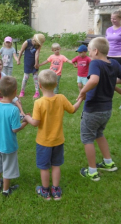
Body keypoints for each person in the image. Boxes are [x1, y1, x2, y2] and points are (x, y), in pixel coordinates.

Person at [23, 70, 83, 200]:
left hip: (43, 142)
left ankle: (45, 191)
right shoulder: (61, 98)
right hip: (58, 140)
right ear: (56, 84)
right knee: (56, 165)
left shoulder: (38, 103)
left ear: (39, 85)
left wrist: (27, 118)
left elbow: (35, 123)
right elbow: (72, 109)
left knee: (44, 167)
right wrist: (80, 99)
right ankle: (56, 191)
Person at [77, 37, 121, 181]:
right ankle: (108, 162)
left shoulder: (95, 63)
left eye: (89, 50)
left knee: (87, 138)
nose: (89, 52)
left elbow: (93, 80)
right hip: (107, 109)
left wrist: (83, 92)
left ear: (95, 51)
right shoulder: (115, 64)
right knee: (99, 133)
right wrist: (112, 82)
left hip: (93, 109)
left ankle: (92, 171)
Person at [0, 76, 27, 197]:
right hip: (8, 145)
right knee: (8, 167)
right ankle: (5, 190)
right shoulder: (14, 110)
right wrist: (25, 123)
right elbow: (15, 128)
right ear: (15, 92)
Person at [106, 10, 121, 94]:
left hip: (120, 56)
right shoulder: (108, 29)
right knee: (108, 75)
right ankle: (108, 93)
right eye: (111, 18)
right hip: (109, 55)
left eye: (115, 19)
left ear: (120, 19)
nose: (112, 20)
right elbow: (107, 42)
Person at [17, 33, 46, 99]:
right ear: (35, 40)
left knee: (36, 78)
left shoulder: (38, 45)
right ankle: (22, 91)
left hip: (34, 63)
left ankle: (37, 92)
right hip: (27, 62)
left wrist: (36, 63)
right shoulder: (27, 42)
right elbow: (21, 51)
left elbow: (37, 53)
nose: (38, 45)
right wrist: (18, 60)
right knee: (25, 77)